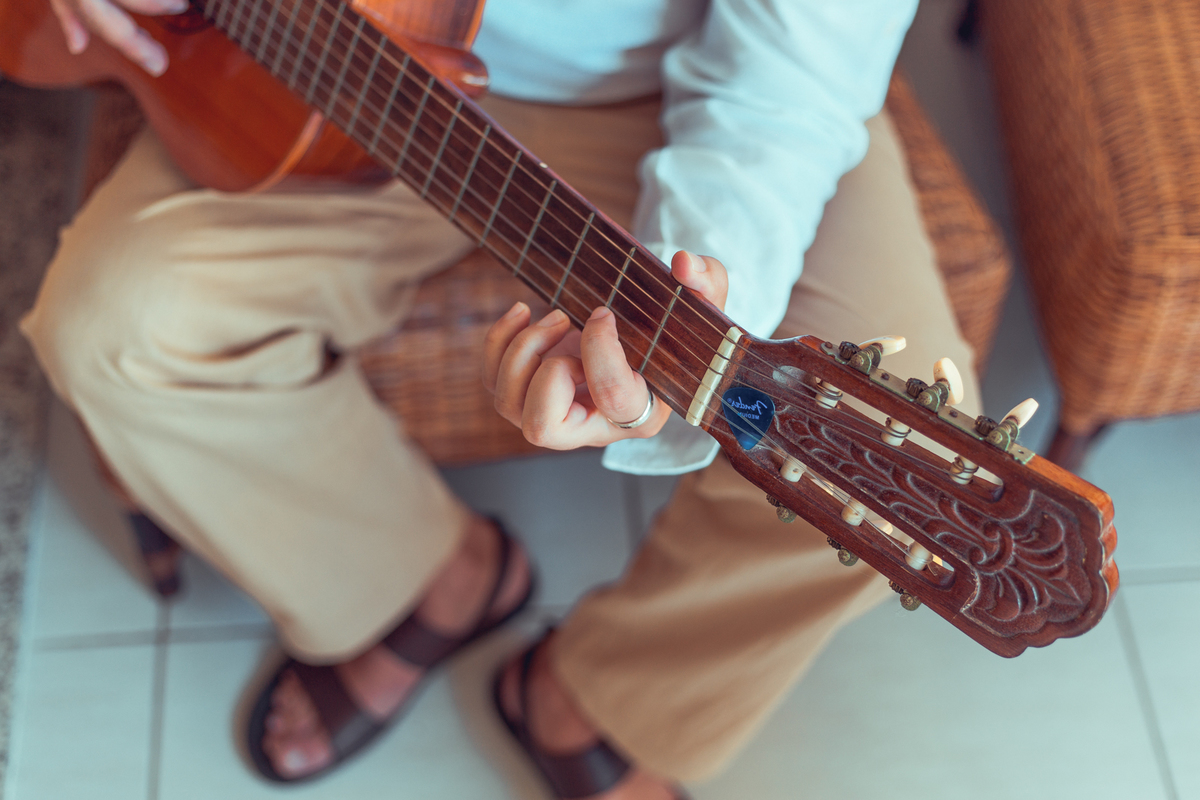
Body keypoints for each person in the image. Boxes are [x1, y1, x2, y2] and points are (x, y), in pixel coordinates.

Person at [24, 0, 981, 797]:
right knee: (112, 325)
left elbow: (788, 86)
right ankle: (422, 577)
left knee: (903, 466)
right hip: (352, 66)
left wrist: (679, 316)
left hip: (712, 104)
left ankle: (607, 693)